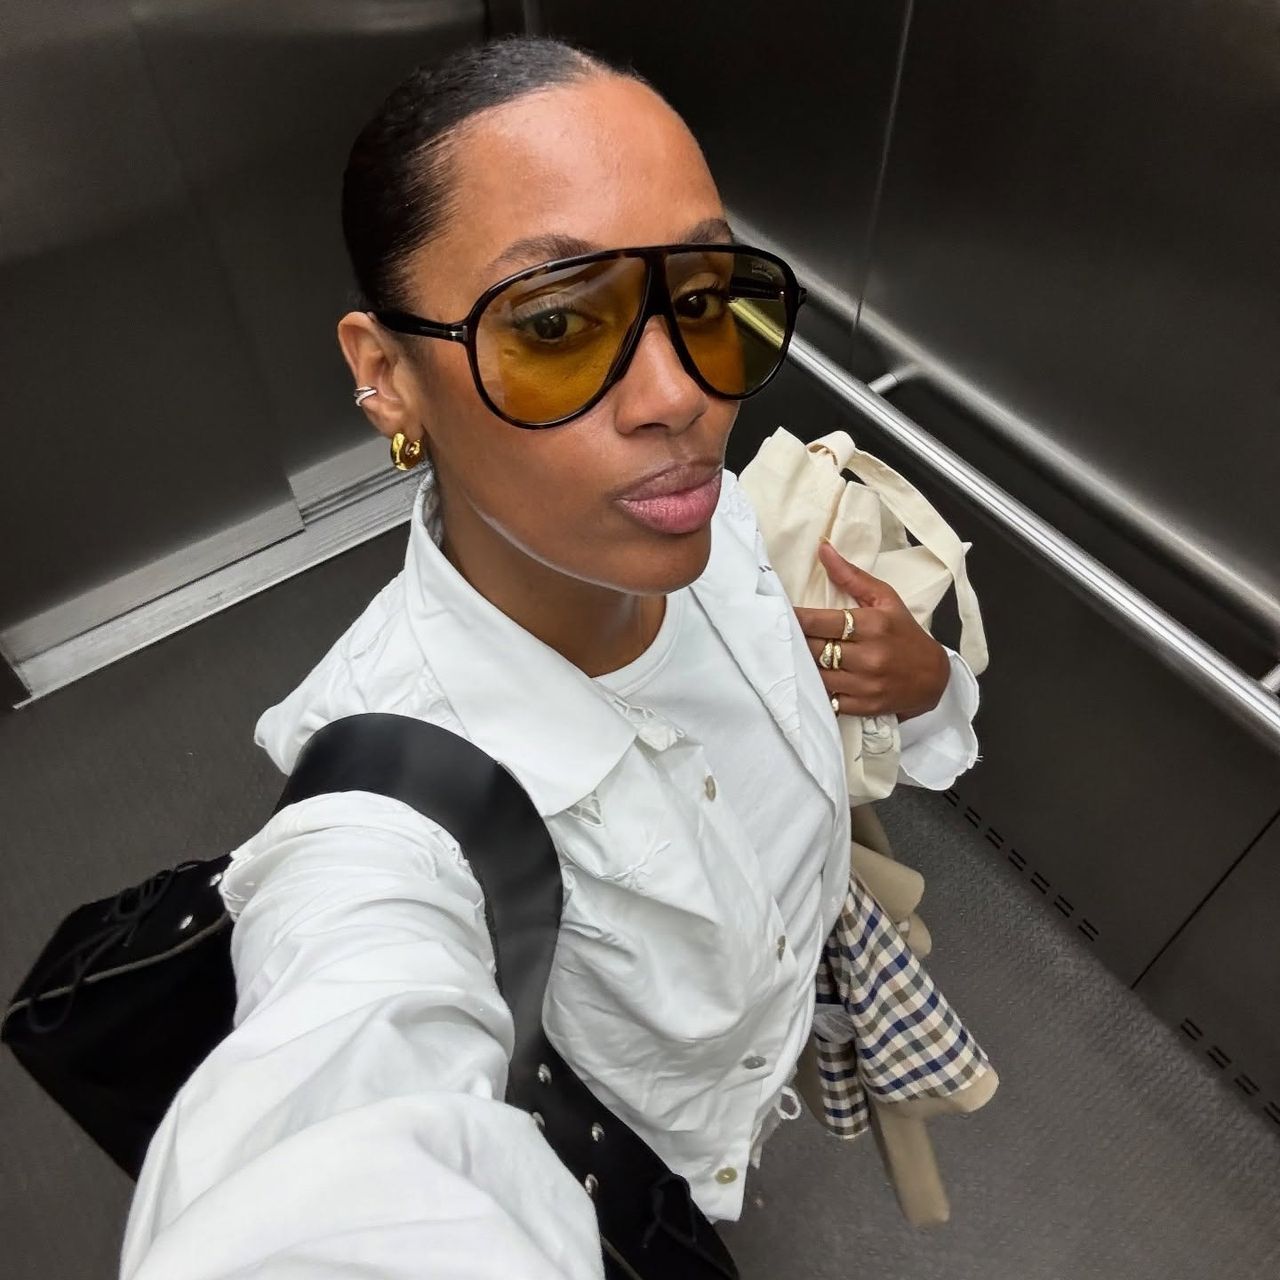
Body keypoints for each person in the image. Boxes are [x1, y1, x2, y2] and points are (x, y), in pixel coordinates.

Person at [120, 36, 979, 1280]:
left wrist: (929, 689)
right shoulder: (383, 791)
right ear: (386, 377)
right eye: (559, 322)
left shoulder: (711, 512)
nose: (679, 392)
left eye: (702, 296)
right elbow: (338, 1099)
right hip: (650, 1147)